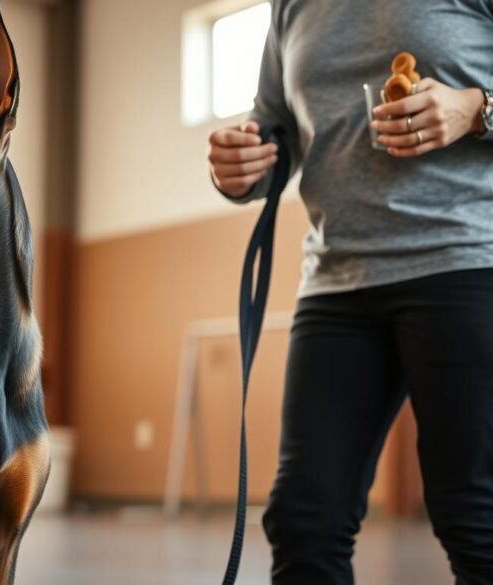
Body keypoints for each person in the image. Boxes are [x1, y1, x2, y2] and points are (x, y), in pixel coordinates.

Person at [206, 1, 493, 584]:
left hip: (463, 264)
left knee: (476, 518)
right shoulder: (292, 7)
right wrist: (239, 167)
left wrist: (475, 109)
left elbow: (479, 107)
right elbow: (275, 127)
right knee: (303, 523)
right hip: (337, 281)